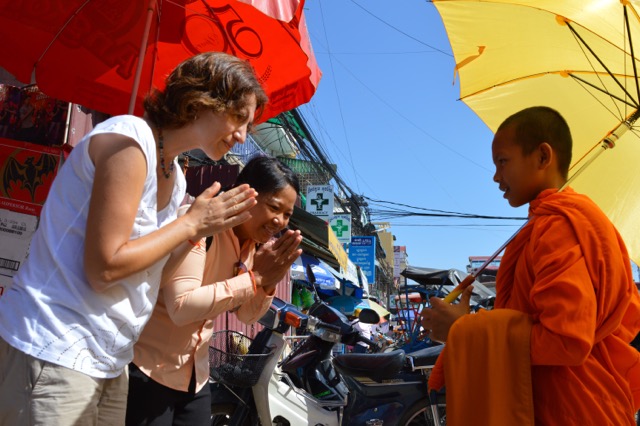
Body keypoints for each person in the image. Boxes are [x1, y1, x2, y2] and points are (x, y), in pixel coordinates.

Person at [0, 51, 268, 425]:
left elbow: (153, 272)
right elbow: (105, 267)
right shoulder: (130, 139)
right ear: (201, 100)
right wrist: (190, 225)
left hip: (111, 359)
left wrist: (198, 231)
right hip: (55, 346)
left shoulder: (174, 178)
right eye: (239, 118)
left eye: (248, 127)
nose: (241, 136)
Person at [421, 106, 640, 426]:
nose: (496, 176)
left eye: (503, 161)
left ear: (542, 157)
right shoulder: (553, 224)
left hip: (572, 409)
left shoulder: (558, 229)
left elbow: (568, 340)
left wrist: (462, 329)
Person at [126, 156, 303, 425]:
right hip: (148, 370)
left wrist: (268, 281)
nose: (280, 221)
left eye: (287, 215)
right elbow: (181, 307)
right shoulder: (203, 224)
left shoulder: (253, 248)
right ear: (246, 195)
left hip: (195, 377)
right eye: (274, 207)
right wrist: (255, 278)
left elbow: (246, 316)